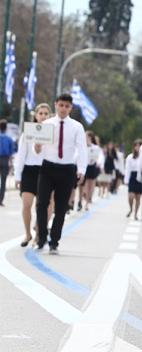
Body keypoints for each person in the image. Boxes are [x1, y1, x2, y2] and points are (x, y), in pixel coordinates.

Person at [35, 93, 88, 253]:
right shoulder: (47, 124)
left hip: (66, 169)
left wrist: (81, 170)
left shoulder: (76, 127)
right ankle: (41, 237)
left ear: (70, 107)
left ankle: (54, 241)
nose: (64, 109)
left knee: (61, 207)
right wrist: (36, 147)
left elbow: (82, 149)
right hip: (47, 167)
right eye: (61, 105)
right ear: (56, 104)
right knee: (42, 203)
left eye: (67, 106)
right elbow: (38, 146)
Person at [13, 104, 51, 245]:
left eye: (46, 113)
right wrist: (18, 175)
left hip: (44, 171)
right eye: (40, 113)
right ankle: (27, 233)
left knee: (40, 206)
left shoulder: (51, 132)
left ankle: (38, 233)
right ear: (36, 115)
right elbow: (21, 154)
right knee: (26, 205)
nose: (43, 115)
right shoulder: (27, 132)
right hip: (29, 170)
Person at [78, 131, 103, 211]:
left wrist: (98, 163)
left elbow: (99, 157)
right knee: (81, 185)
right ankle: (80, 201)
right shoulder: (82, 146)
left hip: (92, 167)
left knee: (90, 186)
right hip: (84, 166)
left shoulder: (95, 147)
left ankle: (87, 203)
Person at [124, 140, 142, 219]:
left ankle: (136, 213)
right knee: (131, 196)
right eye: (136, 146)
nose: (138, 148)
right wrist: (126, 180)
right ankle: (131, 209)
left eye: (139, 146)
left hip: (140, 177)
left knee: (138, 197)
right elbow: (127, 169)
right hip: (133, 176)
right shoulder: (130, 157)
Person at [0, 119, 15, 206]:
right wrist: (11, 163)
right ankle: (0, 199)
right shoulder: (9, 139)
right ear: (6, 128)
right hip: (5, 160)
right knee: (3, 181)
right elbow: (11, 153)